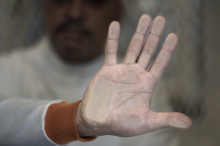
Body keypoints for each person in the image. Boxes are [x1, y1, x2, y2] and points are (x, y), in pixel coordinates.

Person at [0, 0, 191, 145]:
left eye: (95, 0)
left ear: (119, 11)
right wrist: (75, 119)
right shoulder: (6, 71)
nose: (74, 13)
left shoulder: (140, 89)